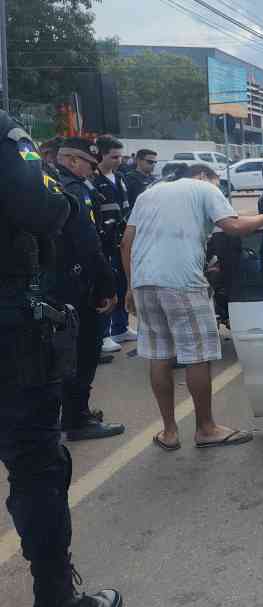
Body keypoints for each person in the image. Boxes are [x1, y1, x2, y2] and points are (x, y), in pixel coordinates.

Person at [0, 111, 122, 607]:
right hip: (10, 333)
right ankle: (55, 597)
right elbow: (45, 208)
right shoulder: (7, 135)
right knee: (36, 467)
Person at [120, 164, 263, 451]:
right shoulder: (205, 187)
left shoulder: (149, 193)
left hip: (144, 282)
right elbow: (233, 227)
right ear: (205, 176)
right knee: (197, 356)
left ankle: (169, 432)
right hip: (181, 282)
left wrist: (130, 286)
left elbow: (126, 244)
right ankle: (206, 428)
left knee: (159, 355)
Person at [55, 138, 125, 442]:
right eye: (88, 163)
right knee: (83, 353)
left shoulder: (51, 184)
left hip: (63, 283)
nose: (92, 170)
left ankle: (73, 412)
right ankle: (77, 419)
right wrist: (107, 283)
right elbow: (88, 244)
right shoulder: (74, 190)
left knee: (71, 354)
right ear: (71, 160)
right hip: (80, 283)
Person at [93, 136, 136, 354]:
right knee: (107, 287)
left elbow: (126, 210)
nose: (119, 160)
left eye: (121, 156)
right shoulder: (93, 179)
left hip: (121, 240)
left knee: (122, 282)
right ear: (100, 155)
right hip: (103, 242)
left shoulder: (120, 178)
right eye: (114, 156)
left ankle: (121, 327)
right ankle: (104, 334)